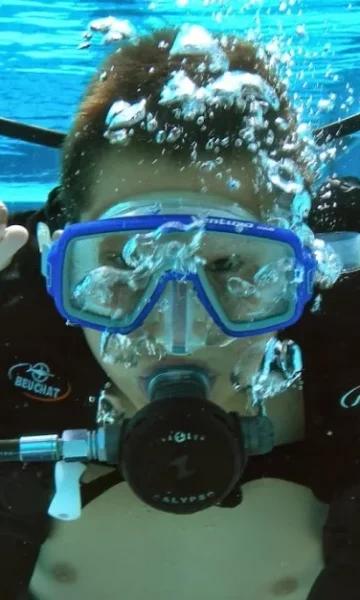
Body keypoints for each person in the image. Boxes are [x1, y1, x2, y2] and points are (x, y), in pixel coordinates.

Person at [0, 24, 359, 600]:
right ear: (56, 268)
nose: (177, 329)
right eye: (125, 265)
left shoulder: (346, 361)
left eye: (224, 268)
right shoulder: (14, 353)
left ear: (300, 271)